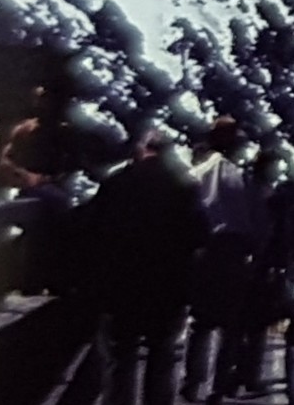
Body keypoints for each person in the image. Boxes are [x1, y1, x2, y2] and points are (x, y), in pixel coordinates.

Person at [87, 128, 209, 405]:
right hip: (167, 285)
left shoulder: (118, 182)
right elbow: (200, 235)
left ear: (142, 149)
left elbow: (93, 230)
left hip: (122, 284)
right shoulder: (184, 185)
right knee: (163, 357)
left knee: (121, 357)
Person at [181, 118, 266, 405]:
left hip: (202, 250)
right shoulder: (242, 177)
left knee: (200, 323)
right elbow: (257, 221)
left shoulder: (196, 173)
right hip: (233, 251)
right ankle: (218, 385)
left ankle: (191, 383)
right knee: (229, 325)